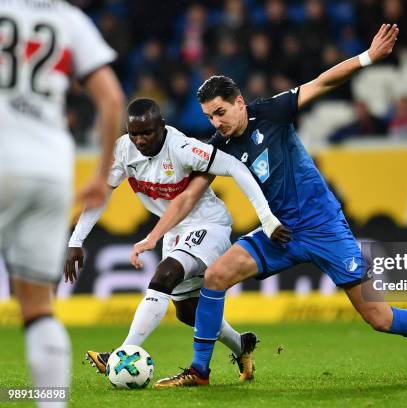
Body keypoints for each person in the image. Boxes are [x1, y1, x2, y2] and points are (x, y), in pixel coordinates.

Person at [149, 24, 407, 388]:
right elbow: (190, 193)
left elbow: (323, 82)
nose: (216, 122)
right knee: (215, 277)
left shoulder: (272, 113)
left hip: (323, 226)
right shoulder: (221, 144)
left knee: (378, 317)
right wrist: (153, 235)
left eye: (220, 112)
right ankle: (200, 371)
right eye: (209, 117)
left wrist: (368, 57)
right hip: (278, 233)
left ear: (239, 102)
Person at [64, 98, 290, 381]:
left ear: (161, 126)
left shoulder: (182, 147)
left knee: (163, 276)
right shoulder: (124, 150)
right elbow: (102, 195)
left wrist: (266, 218)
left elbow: (234, 166)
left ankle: (123, 352)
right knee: (186, 311)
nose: (140, 140)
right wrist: (76, 240)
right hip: (174, 231)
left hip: (208, 224)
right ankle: (241, 344)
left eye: (146, 132)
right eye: (134, 133)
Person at [0, 1, 125, 406]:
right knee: (38, 308)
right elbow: (111, 99)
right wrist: (101, 175)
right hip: (50, 168)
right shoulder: (69, 20)